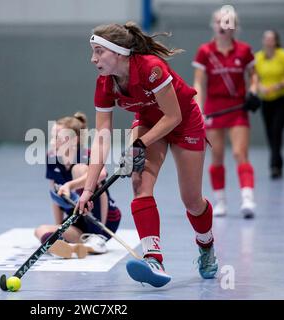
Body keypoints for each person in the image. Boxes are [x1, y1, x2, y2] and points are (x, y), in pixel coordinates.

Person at [78, 21, 218, 288]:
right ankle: (154, 259)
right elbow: (102, 137)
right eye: (92, 51)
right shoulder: (105, 84)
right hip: (148, 122)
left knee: (191, 200)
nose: (92, 58)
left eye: (98, 51)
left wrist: (139, 143)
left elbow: (174, 116)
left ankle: (206, 244)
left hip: (184, 120)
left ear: (118, 52)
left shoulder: (151, 68)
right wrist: (87, 188)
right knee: (139, 183)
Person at [192, 7, 258, 218]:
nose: (223, 26)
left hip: (238, 108)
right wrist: (199, 111)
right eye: (219, 21)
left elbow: (253, 76)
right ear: (214, 24)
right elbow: (199, 83)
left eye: (227, 22)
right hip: (214, 109)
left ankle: (247, 198)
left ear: (234, 27)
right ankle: (220, 201)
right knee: (217, 155)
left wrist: (253, 92)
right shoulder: (205, 51)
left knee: (240, 152)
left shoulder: (244, 50)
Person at [34, 112, 121, 259]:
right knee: (40, 230)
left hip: (104, 220)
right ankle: (64, 246)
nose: (53, 142)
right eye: (52, 137)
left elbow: (102, 174)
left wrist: (69, 185)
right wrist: (59, 228)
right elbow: (55, 196)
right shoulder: (51, 158)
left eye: (58, 138)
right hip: (78, 221)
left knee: (78, 169)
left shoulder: (86, 154)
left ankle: (98, 238)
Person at [254, 30, 284, 179]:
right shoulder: (258, 57)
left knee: (276, 129)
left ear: (276, 41)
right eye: (266, 38)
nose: (268, 41)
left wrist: (279, 85)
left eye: (271, 39)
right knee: (270, 132)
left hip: (283, 99)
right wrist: (259, 87)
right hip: (266, 101)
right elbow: (255, 77)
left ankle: (275, 165)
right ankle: (276, 162)